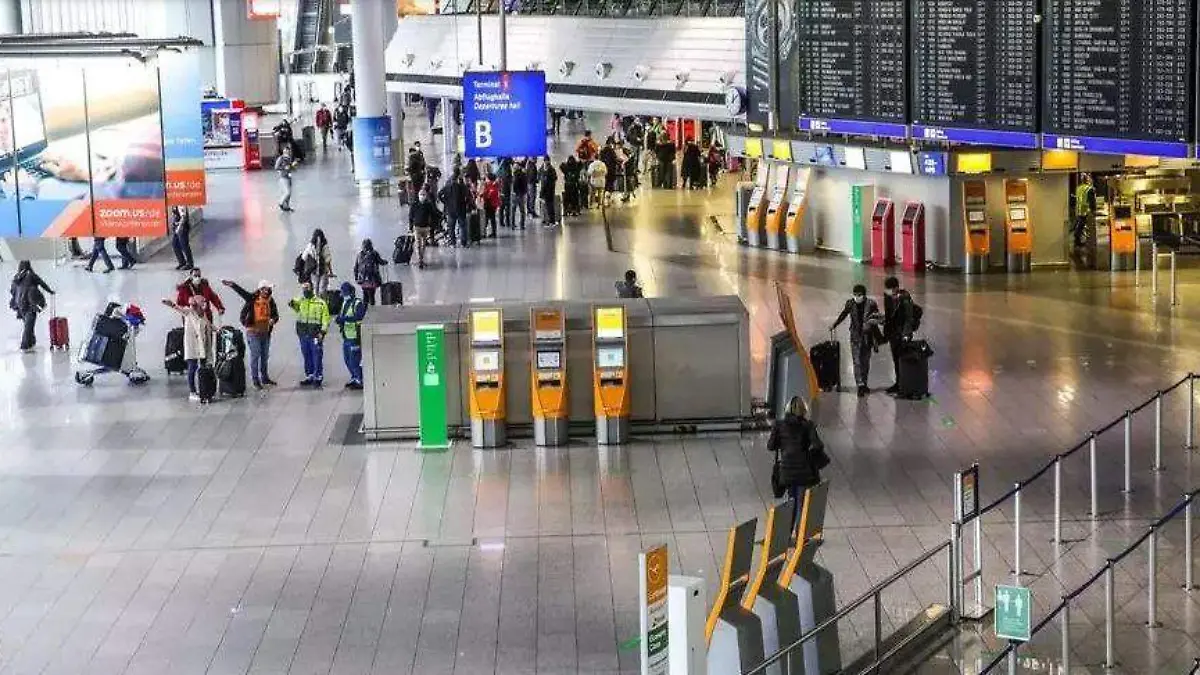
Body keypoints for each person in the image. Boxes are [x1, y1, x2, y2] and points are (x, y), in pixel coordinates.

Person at [767, 396, 827, 528]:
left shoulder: (779, 425)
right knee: (802, 503)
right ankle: (801, 536)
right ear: (804, 410)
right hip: (804, 471)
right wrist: (808, 454)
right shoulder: (808, 425)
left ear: (787, 409)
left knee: (791, 501)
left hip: (787, 471)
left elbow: (770, 446)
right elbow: (818, 445)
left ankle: (786, 535)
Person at [221, 278, 279, 390]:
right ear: (261, 289)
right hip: (253, 333)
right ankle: (256, 380)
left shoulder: (270, 301)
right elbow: (242, 292)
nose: (268, 291)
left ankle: (265, 377)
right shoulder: (252, 298)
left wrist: (273, 320)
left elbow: (276, 315)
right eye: (267, 289)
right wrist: (233, 285)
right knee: (255, 356)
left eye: (269, 289)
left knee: (264, 356)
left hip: (265, 333)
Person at [831, 284, 883, 397]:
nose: (856, 297)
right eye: (855, 295)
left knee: (865, 361)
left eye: (859, 295)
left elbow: (877, 318)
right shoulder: (850, 303)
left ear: (864, 295)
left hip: (867, 337)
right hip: (855, 336)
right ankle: (860, 384)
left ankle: (864, 383)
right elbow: (843, 314)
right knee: (857, 361)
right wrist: (835, 324)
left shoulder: (871, 304)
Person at [161, 295, 216, 402]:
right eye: (202, 301)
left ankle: (204, 389)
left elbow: (208, 325)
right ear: (197, 302)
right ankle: (192, 392)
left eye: (205, 301)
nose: (204, 303)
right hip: (192, 345)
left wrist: (217, 330)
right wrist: (170, 303)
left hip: (202, 345)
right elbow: (178, 308)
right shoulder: (189, 312)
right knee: (192, 367)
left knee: (204, 367)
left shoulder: (203, 314)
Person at [289, 281, 331, 387]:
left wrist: (322, 332)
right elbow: (292, 304)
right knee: (306, 355)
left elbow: (326, 319)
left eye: (307, 288)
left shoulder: (320, 303)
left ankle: (318, 376)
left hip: (315, 334)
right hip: (303, 334)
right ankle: (310, 375)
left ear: (312, 289)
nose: (305, 290)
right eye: (304, 288)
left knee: (317, 355)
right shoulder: (301, 301)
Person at [9, 260, 54, 352]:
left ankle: (31, 342)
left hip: (19, 305)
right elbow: (42, 284)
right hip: (30, 303)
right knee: (28, 326)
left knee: (28, 324)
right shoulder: (31, 275)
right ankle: (24, 345)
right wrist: (51, 291)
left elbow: (12, 291)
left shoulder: (16, 277)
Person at [882, 276, 917, 395]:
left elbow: (909, 318)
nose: (888, 291)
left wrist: (906, 334)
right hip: (893, 334)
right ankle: (898, 383)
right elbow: (889, 316)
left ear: (896, 287)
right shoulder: (888, 298)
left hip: (902, 334)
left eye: (890, 289)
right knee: (896, 360)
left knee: (902, 360)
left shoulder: (905, 298)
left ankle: (904, 385)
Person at [334, 282, 367, 390]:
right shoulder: (345, 302)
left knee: (355, 360)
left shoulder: (358, 303)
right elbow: (342, 314)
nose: (344, 295)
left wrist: (345, 319)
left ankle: (359, 379)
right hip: (346, 336)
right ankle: (354, 377)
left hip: (355, 337)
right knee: (347, 359)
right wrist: (339, 319)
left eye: (345, 293)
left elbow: (359, 317)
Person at [439, 168, 471, 246]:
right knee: (463, 226)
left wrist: (445, 202)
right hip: (461, 209)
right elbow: (468, 196)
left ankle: (453, 242)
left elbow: (439, 194)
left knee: (451, 227)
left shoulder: (447, 185)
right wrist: (465, 203)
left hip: (450, 210)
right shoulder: (462, 185)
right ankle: (464, 243)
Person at [353, 239, 387, 305]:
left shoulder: (359, 255)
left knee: (365, 295)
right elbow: (381, 262)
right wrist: (385, 262)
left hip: (362, 280)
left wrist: (356, 278)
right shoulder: (374, 253)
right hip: (372, 279)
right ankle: (372, 310)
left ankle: (365, 310)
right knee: (371, 296)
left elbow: (355, 267)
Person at [409, 187, 437, 268]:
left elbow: (433, 214)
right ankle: (420, 260)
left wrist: (432, 225)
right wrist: (410, 227)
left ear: (426, 196)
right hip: (417, 227)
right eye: (421, 195)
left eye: (424, 195)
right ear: (418, 196)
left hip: (425, 227)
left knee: (424, 244)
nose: (422, 196)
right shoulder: (414, 205)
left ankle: (421, 258)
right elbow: (410, 216)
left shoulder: (428, 205)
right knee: (418, 244)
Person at [300, 229, 334, 294]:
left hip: (313, 271)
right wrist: (331, 271)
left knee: (315, 289)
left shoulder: (310, 245)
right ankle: (322, 302)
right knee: (323, 289)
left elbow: (304, 257)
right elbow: (328, 260)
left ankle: (316, 301)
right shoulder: (324, 245)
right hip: (323, 270)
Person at [1073, 173, 1096, 249]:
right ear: (1088, 180)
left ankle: (1077, 240)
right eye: (1089, 178)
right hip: (1086, 211)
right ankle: (1080, 242)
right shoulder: (1089, 188)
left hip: (1079, 210)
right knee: (1082, 227)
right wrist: (1094, 211)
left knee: (1079, 226)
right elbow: (1092, 201)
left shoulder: (1079, 188)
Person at [170, 206, 195, 270]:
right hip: (176, 227)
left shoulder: (180, 203)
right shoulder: (174, 204)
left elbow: (183, 217)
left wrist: (179, 227)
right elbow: (174, 214)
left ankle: (190, 263)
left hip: (182, 228)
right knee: (174, 244)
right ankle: (182, 262)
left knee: (184, 245)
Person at [275, 145, 297, 212]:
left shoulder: (289, 158)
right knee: (287, 192)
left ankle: (286, 206)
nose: (287, 151)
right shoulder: (281, 158)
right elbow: (276, 167)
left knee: (289, 194)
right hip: (283, 177)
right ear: (283, 151)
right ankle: (281, 202)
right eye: (285, 150)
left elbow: (291, 168)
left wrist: (293, 165)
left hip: (289, 177)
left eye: (288, 150)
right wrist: (284, 168)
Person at [539, 157, 558, 227]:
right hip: (550, 191)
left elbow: (544, 183)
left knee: (549, 207)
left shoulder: (547, 171)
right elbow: (555, 178)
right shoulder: (550, 169)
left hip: (547, 192)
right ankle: (551, 221)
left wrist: (541, 194)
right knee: (550, 206)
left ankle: (550, 221)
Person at [511, 162, 529, 229]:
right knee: (522, 211)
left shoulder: (514, 174)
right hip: (521, 194)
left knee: (513, 210)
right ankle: (522, 225)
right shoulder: (523, 174)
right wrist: (525, 192)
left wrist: (514, 192)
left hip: (515, 195)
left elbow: (514, 184)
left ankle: (512, 225)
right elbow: (525, 184)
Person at [498, 158, 514, 229]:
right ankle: (507, 222)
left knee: (502, 208)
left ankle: (502, 222)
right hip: (505, 192)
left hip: (502, 192)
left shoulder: (500, 173)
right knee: (506, 208)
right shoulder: (507, 175)